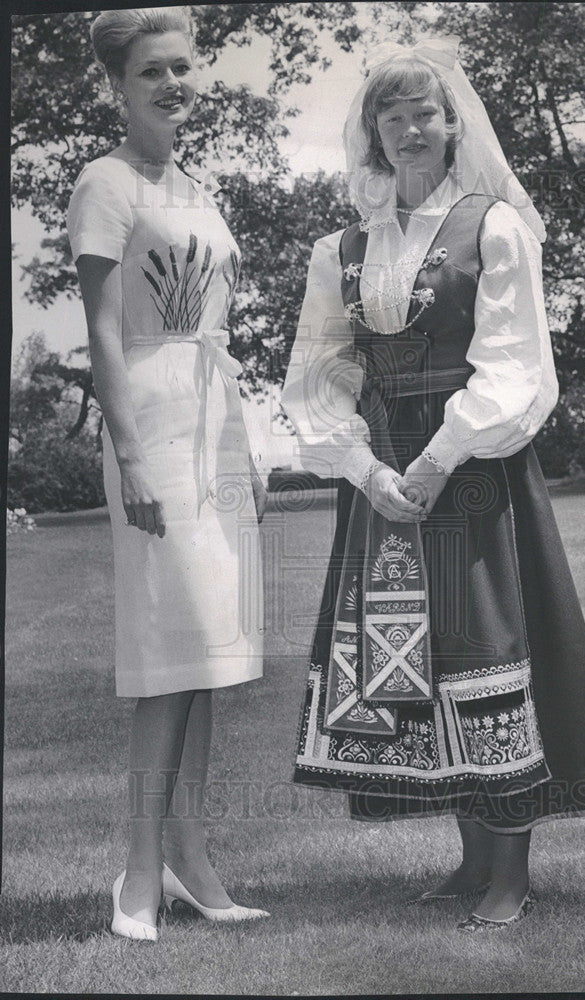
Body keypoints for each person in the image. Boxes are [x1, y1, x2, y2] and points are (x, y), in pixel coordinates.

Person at [281, 37, 585, 931]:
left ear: (451, 122)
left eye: (422, 112)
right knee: (419, 663)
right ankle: (471, 861)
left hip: (471, 472)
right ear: (372, 138)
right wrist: (366, 469)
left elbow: (514, 365)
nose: (408, 130)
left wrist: (436, 463)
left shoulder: (494, 225)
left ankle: (511, 869)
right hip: (385, 474)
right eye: (389, 117)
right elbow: (319, 372)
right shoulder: (343, 248)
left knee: (486, 648)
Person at [67, 7, 269, 941]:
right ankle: (139, 873)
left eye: (183, 67)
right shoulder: (103, 184)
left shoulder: (198, 187)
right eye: (152, 71)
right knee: (166, 660)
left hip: (215, 426)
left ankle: (191, 857)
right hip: (150, 422)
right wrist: (129, 452)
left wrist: (250, 444)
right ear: (119, 85)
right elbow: (104, 332)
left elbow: (218, 332)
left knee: (209, 654)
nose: (171, 84)